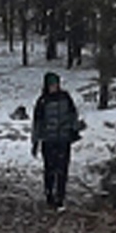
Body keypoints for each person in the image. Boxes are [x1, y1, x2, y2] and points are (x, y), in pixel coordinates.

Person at [31, 71, 81, 210]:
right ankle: (49, 195)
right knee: (49, 169)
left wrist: (74, 129)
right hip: (49, 140)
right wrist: (36, 141)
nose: (54, 87)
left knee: (63, 168)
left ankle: (60, 196)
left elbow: (73, 114)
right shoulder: (42, 101)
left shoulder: (65, 98)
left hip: (63, 139)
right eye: (51, 85)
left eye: (56, 84)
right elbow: (37, 123)